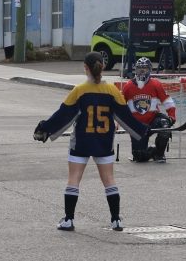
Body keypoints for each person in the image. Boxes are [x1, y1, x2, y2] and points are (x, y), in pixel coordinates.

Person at [33, 51, 148, 232]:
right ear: (102, 66)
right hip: (104, 142)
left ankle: (69, 220)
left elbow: (64, 115)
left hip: (81, 142)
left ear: (85, 68)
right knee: (109, 180)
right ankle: (116, 220)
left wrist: (44, 129)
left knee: (74, 179)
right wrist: (142, 131)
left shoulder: (79, 91)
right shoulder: (112, 90)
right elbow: (126, 117)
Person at [121, 57, 177, 163]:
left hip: (153, 120)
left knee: (164, 125)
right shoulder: (128, 86)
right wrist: (119, 123)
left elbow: (167, 101)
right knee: (139, 156)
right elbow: (120, 105)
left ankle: (159, 154)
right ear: (135, 70)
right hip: (136, 125)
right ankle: (153, 151)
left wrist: (172, 115)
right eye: (139, 69)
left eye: (145, 69)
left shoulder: (156, 84)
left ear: (150, 70)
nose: (142, 72)